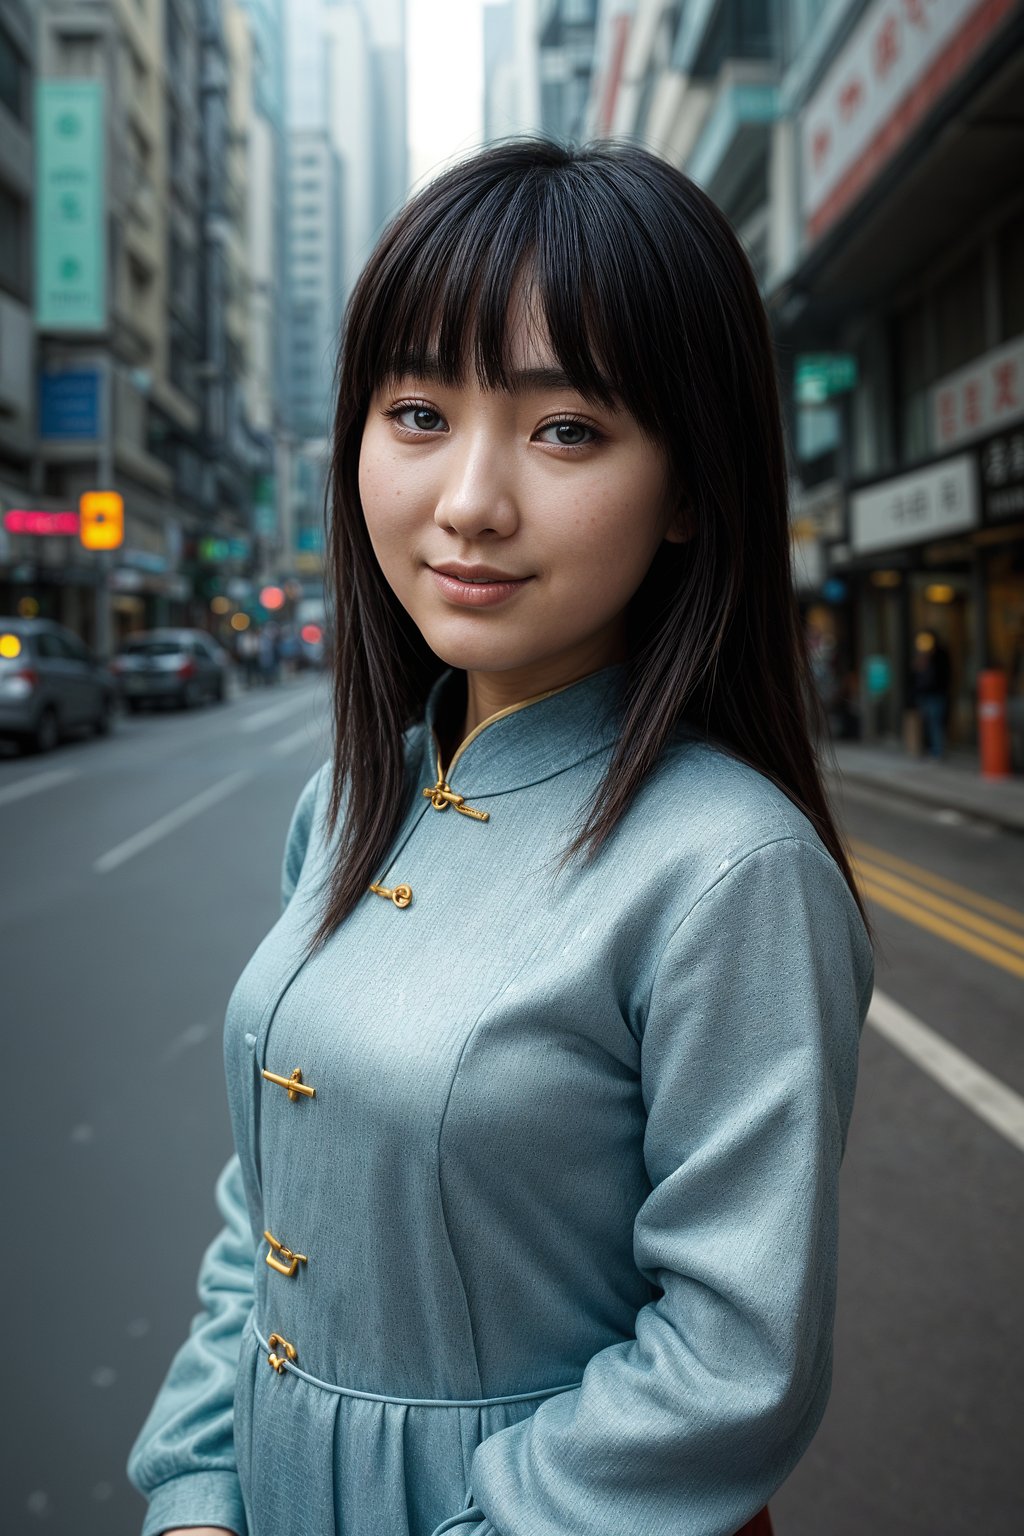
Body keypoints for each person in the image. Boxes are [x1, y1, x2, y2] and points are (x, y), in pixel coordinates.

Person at [127, 139, 875, 1536]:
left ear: (693, 489)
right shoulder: (349, 803)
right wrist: (196, 1492)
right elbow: (264, 1216)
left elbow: (732, 1359)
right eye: (417, 411)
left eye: (566, 429)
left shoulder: (731, 871)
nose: (468, 499)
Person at [910, 627, 952, 760]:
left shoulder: (940, 655)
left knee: (936, 723)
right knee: (928, 724)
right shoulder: (922, 655)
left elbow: (944, 675)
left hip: (937, 694)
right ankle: (931, 749)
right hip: (925, 694)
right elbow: (915, 674)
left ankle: (937, 751)